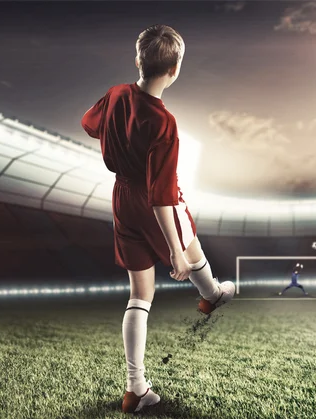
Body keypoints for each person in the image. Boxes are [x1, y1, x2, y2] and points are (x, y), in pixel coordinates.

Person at [80, 24, 235, 414]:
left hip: (121, 198)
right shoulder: (164, 123)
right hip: (151, 200)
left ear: (138, 61)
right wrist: (174, 252)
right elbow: (162, 195)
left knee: (139, 295)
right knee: (190, 243)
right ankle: (211, 294)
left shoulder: (116, 94)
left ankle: (136, 390)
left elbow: (88, 123)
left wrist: (120, 137)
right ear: (175, 70)